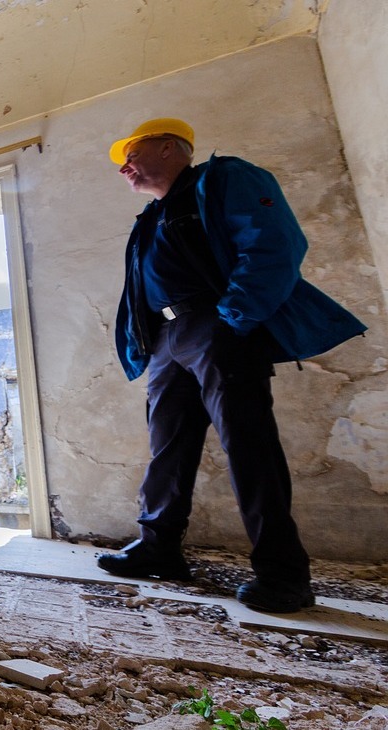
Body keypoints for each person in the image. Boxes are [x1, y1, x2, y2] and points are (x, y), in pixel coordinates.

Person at [98, 118, 366, 613]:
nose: (125, 168)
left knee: (249, 444)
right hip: (167, 336)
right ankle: (159, 547)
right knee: (167, 447)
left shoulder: (223, 179)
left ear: (166, 147)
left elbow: (272, 245)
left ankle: (283, 575)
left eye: (131, 155)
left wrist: (233, 318)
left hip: (216, 323)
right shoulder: (151, 216)